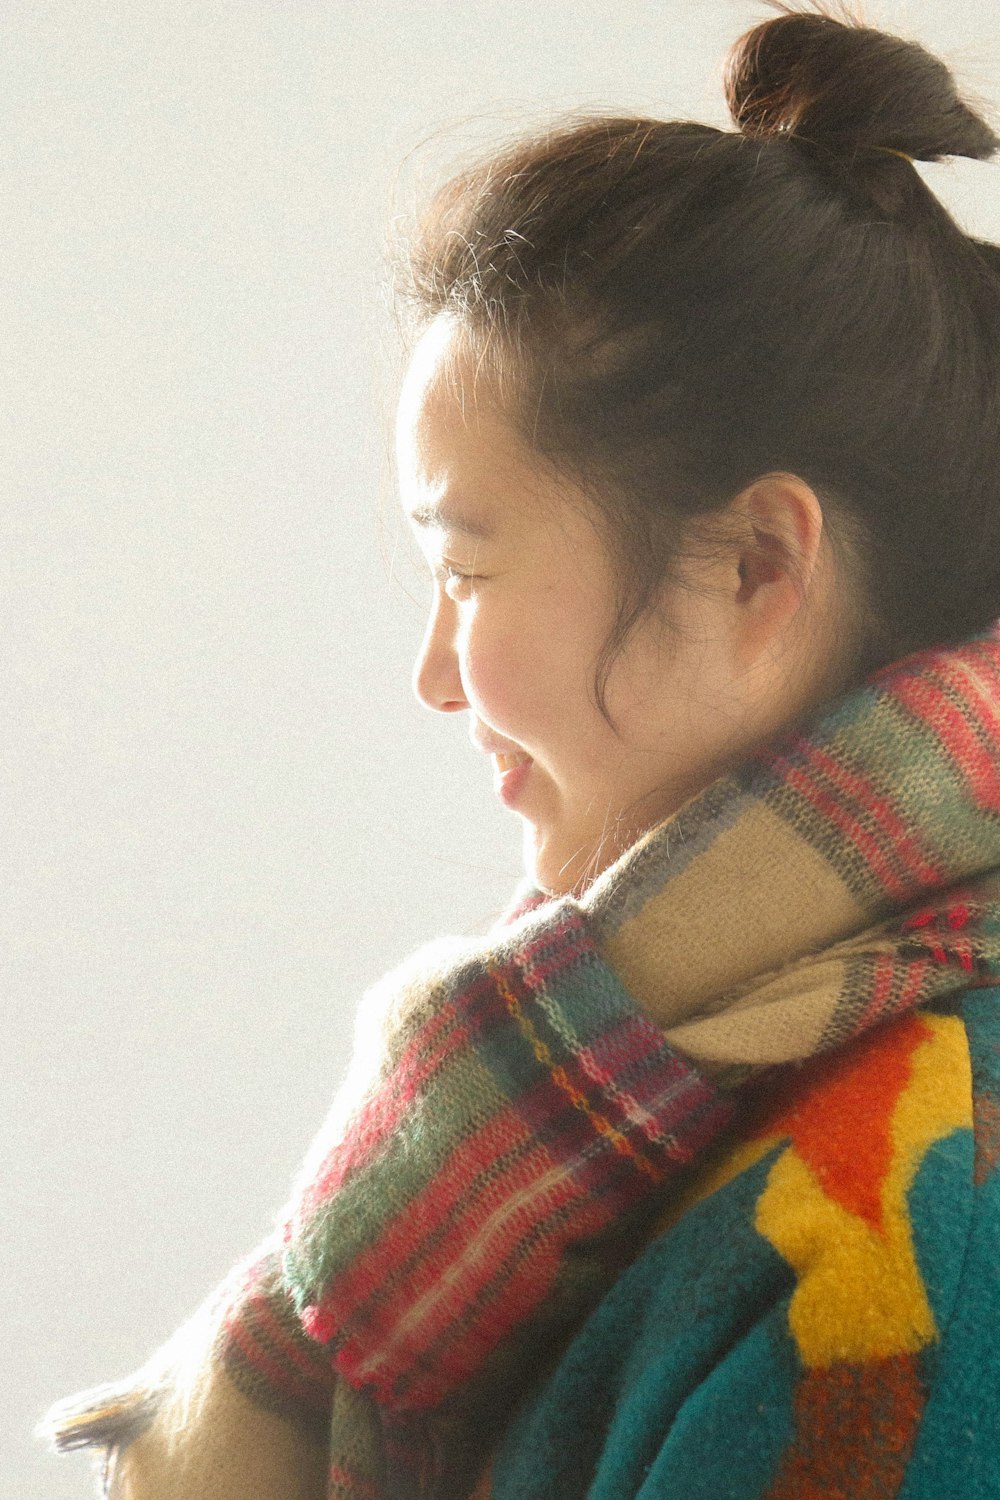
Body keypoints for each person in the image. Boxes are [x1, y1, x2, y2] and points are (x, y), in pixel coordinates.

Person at [39, 3, 1000, 1496]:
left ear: (755, 565)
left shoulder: (913, 1231)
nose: (432, 675)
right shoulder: (619, 1093)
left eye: (467, 572)